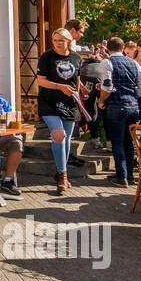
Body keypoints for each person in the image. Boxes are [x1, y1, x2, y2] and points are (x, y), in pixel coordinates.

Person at [36, 28, 82, 195]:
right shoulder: (47, 57)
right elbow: (41, 81)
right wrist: (60, 87)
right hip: (49, 101)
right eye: (55, 40)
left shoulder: (76, 58)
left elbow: (76, 80)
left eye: (61, 40)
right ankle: (63, 175)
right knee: (59, 135)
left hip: (70, 103)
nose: (57, 43)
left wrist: (81, 94)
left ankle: (60, 170)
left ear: (69, 41)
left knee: (67, 139)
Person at [99, 36, 141, 189]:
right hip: (133, 106)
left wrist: (101, 100)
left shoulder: (107, 62)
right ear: (122, 48)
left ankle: (121, 176)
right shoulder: (134, 63)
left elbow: (107, 86)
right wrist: (132, 96)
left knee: (117, 142)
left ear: (108, 49)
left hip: (116, 106)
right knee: (129, 141)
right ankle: (130, 175)